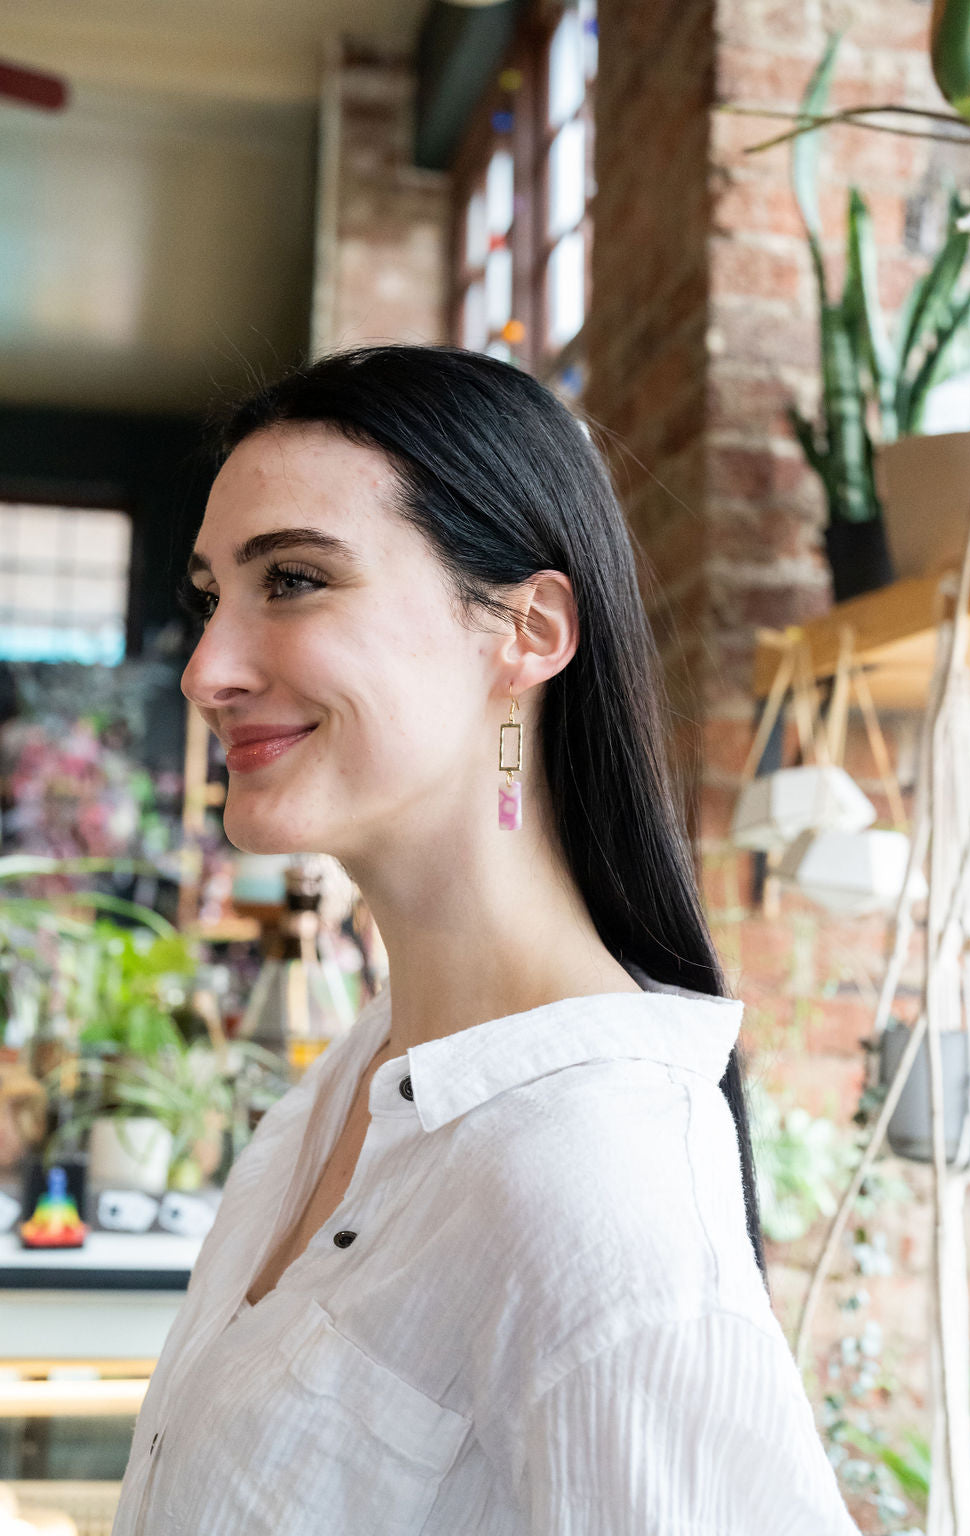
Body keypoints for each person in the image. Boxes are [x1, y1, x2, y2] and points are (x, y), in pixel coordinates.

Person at [111, 345, 862, 1535]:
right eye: (213, 597)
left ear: (525, 628)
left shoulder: (597, 1190)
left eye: (295, 580)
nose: (208, 668)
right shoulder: (356, 1085)